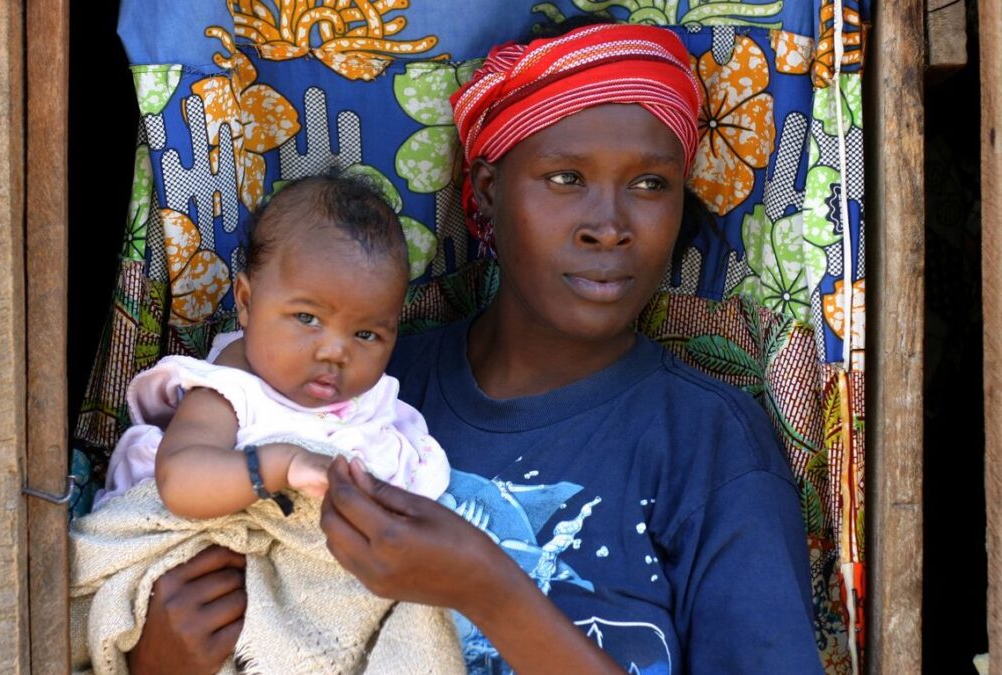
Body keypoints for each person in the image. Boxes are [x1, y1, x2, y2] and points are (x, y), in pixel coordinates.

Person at [129, 22, 823, 675]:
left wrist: (489, 590)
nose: (609, 226)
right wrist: (158, 657)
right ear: (488, 193)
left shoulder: (708, 441)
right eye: (566, 178)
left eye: (650, 184)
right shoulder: (358, 389)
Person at [73, 175, 461, 674]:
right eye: (306, 318)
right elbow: (180, 481)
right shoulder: (228, 392)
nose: (334, 351)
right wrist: (280, 464)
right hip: (222, 605)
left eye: (366, 333)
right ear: (247, 300)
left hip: (325, 606)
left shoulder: (378, 409)